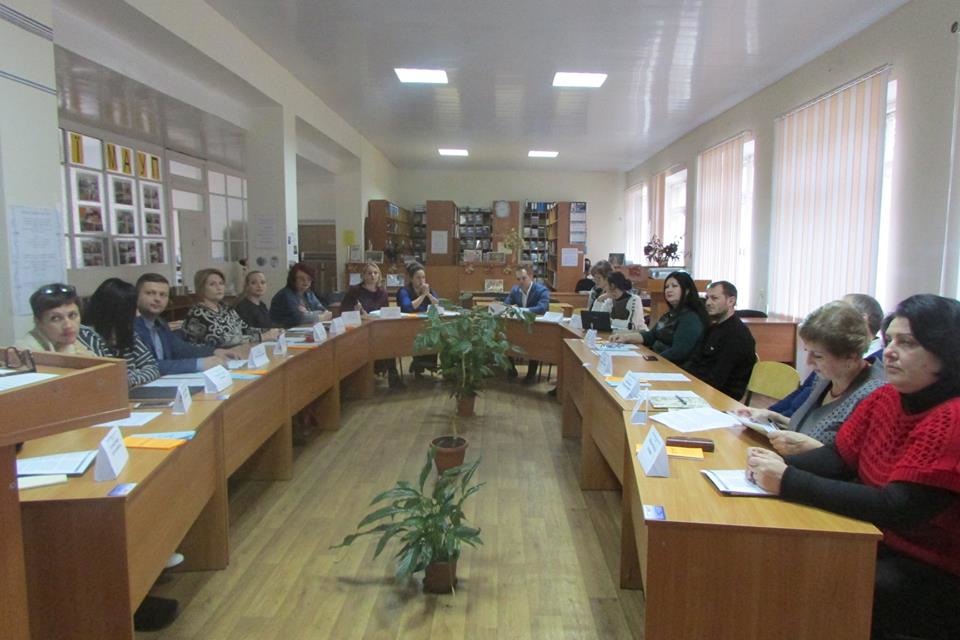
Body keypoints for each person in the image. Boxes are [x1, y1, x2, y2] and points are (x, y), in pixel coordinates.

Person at [746, 294, 960, 640]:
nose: (890, 352)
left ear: (946, 351)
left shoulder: (952, 418)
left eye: (907, 343)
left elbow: (898, 507)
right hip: (874, 538)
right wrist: (771, 465)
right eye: (890, 340)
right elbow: (839, 456)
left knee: (815, 582)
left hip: (932, 566)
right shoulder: (885, 397)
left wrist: (788, 479)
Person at [739, 301, 885, 455]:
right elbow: (813, 431)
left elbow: (860, 461)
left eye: (818, 356)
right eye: (807, 351)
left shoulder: (874, 395)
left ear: (851, 356)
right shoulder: (826, 377)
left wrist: (814, 449)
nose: (808, 362)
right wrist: (775, 418)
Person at [770, 293, 885, 417]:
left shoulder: (873, 388)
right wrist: (770, 414)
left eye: (817, 355)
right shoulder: (826, 374)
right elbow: (801, 411)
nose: (808, 362)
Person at [134, 273, 240, 375]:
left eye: (163, 295)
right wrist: (199, 364)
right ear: (136, 296)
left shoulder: (160, 323)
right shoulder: (130, 328)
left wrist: (215, 352)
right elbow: (148, 366)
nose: (157, 299)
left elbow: (182, 350)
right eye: (150, 293)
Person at [610, 270, 706, 364]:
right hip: (657, 360)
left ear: (687, 291)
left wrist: (651, 361)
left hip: (670, 366)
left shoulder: (690, 318)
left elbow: (678, 352)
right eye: (666, 287)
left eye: (674, 286)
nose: (669, 290)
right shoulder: (669, 315)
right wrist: (625, 338)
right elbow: (651, 335)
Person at [79, 278, 160, 387]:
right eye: (131, 309)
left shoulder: (127, 332)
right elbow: (108, 379)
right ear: (116, 311)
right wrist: (135, 373)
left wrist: (130, 378)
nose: (137, 314)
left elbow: (153, 367)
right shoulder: (87, 336)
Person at [682, 280, 756, 399]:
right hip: (699, 388)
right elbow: (694, 360)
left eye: (714, 298)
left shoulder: (737, 335)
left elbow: (716, 379)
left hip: (720, 398)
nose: (708, 303)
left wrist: (686, 385)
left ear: (731, 301)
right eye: (707, 298)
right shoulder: (713, 328)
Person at [183, 268, 279, 348]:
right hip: (210, 359)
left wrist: (270, 331)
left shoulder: (225, 308)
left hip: (235, 353)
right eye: (212, 284)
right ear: (201, 288)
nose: (219, 287)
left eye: (221, 283)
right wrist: (261, 337)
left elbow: (244, 329)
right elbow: (221, 340)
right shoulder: (198, 313)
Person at [341, 262, 401, 387]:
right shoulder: (355, 291)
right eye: (369, 273)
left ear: (379, 275)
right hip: (360, 330)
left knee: (391, 340)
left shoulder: (382, 292)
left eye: (375, 273)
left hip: (378, 329)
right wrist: (357, 313)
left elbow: (385, 312)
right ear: (363, 276)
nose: (373, 275)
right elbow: (344, 312)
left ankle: (393, 376)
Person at [16, 283, 93, 355]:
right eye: (56, 318)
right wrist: (64, 359)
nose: (68, 325)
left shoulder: (80, 340)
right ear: (38, 322)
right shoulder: (24, 353)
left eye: (72, 315)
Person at [505, 266, 550, 383]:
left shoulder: (541, 290)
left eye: (523, 278)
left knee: (534, 344)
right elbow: (506, 304)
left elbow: (542, 308)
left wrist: (522, 310)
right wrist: (509, 306)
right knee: (505, 339)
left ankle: (531, 375)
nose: (520, 281)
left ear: (531, 277)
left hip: (536, 328)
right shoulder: (515, 290)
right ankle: (511, 370)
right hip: (519, 327)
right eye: (518, 279)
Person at [397, 261, 440, 376]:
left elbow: (438, 304)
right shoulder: (404, 291)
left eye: (423, 277)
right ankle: (418, 363)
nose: (422, 281)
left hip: (426, 325)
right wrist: (422, 296)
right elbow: (407, 307)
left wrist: (428, 295)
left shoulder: (428, 290)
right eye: (418, 278)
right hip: (408, 326)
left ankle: (423, 364)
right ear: (411, 279)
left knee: (433, 334)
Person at [269, 263, 331, 328]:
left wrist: (310, 314)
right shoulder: (285, 295)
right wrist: (319, 317)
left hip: (303, 328)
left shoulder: (308, 293)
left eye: (309, 279)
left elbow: (323, 310)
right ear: (293, 279)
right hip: (283, 331)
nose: (306, 282)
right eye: (301, 278)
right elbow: (298, 318)